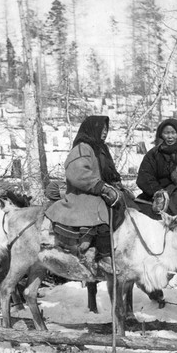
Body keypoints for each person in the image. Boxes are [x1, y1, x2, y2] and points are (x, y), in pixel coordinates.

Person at [45, 115, 125, 275]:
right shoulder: (82, 148)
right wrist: (101, 187)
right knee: (101, 213)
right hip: (82, 193)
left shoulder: (101, 148)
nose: (104, 133)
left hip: (97, 191)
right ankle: (103, 257)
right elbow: (77, 173)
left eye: (106, 129)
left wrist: (115, 184)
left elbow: (108, 172)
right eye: (101, 129)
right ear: (91, 129)